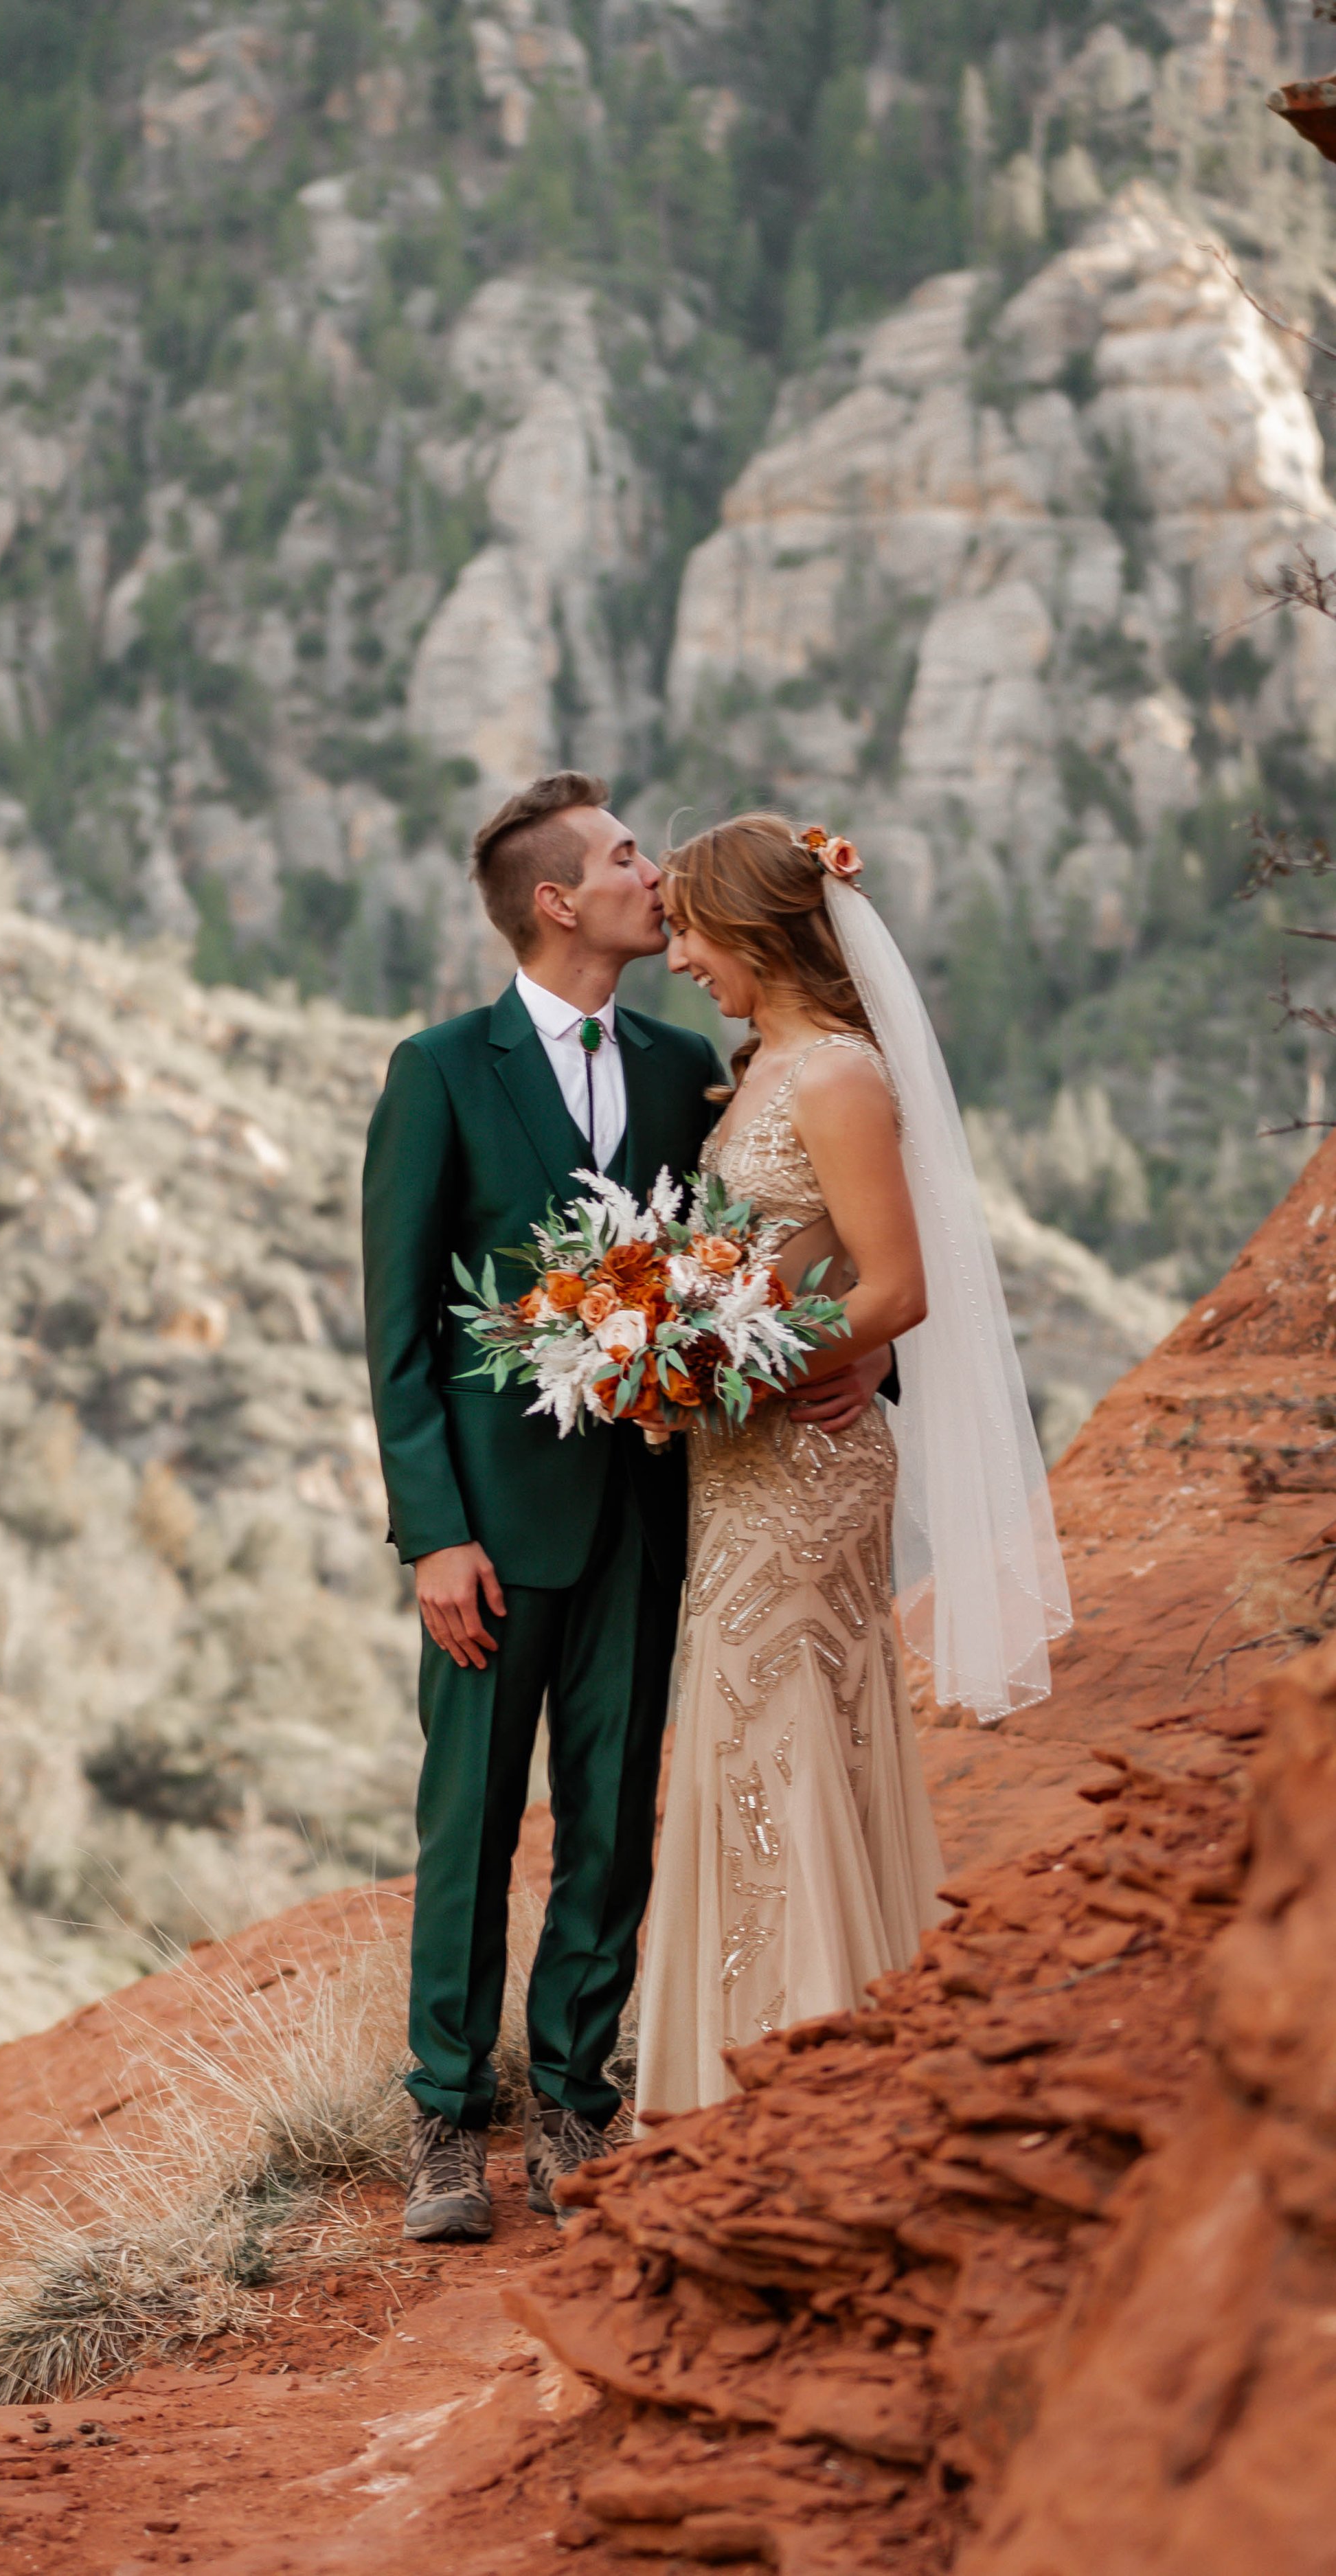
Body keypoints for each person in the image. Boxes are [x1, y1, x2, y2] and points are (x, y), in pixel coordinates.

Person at [362, 775, 891, 2239]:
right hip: (490, 1527)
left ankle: (576, 2101)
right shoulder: (439, 1070)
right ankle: (446, 2121)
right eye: (620, 858)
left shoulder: (683, 1069)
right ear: (555, 901)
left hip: (665, 1510)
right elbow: (397, 1326)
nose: (649, 876)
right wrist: (431, 1534)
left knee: (614, 1813)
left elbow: (806, 1230)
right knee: (470, 1817)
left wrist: (875, 1344)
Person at [635, 814, 1070, 2114]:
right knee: (742, 1729)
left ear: (755, 929)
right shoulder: (766, 1065)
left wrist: (728, 1360)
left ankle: (799, 2063)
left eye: (690, 932)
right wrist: (667, 1352)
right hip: (738, 1466)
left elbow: (896, 1286)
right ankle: (769, 2034)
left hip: (808, 1464)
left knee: (781, 1729)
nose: (679, 961)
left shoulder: (836, 1076)